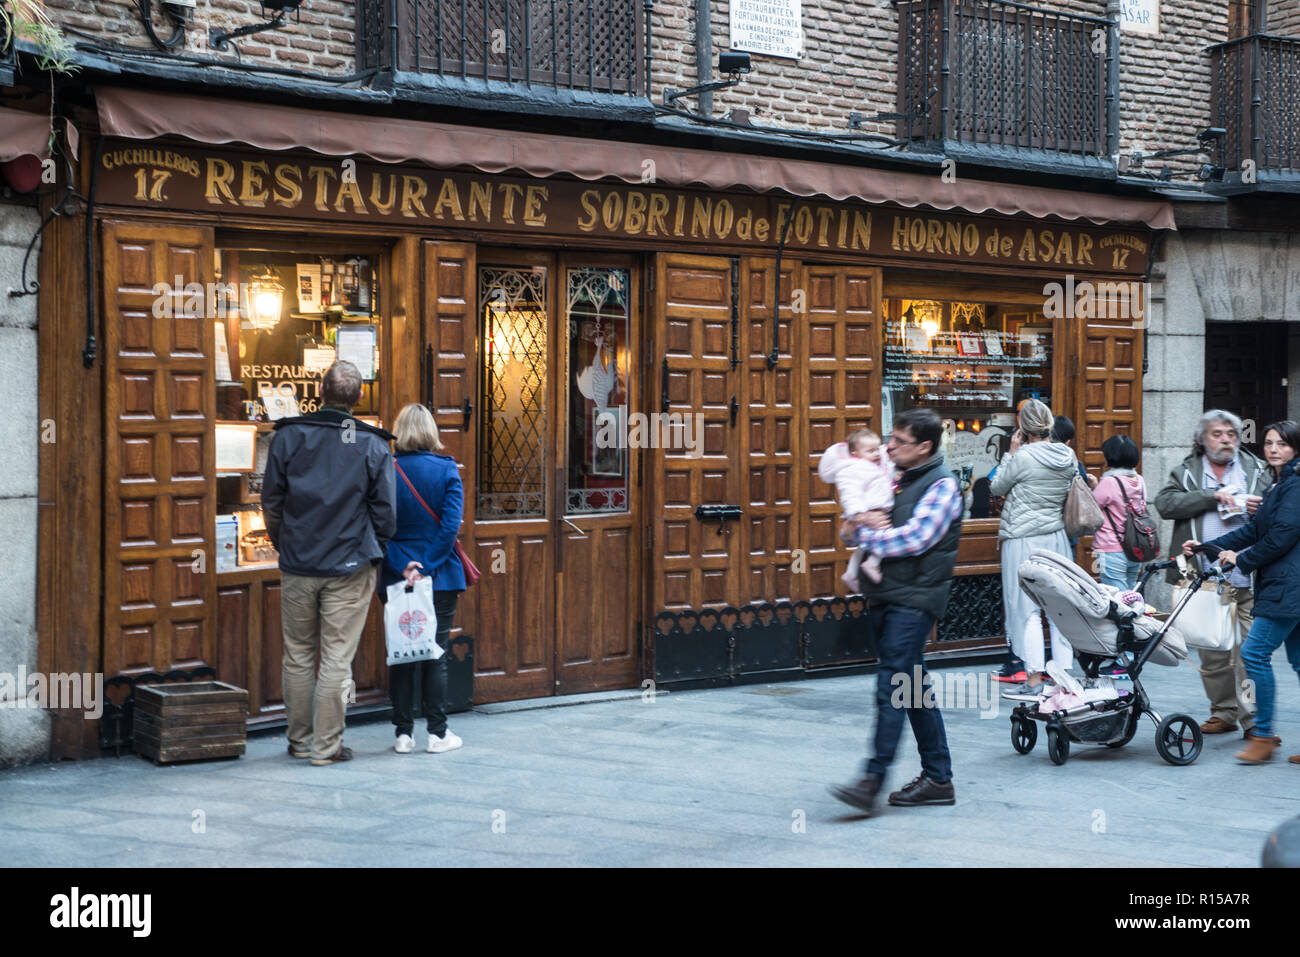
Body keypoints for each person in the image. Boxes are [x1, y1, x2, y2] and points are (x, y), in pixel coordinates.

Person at [828, 407, 963, 816]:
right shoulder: (896, 476)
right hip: (887, 594)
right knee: (913, 686)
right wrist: (854, 525)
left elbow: (915, 540)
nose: (888, 446)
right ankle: (938, 778)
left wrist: (864, 530)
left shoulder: (942, 486)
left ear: (924, 446)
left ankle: (872, 777)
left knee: (892, 684)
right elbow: (850, 526)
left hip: (915, 600)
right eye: (891, 438)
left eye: (899, 441)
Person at [262, 361, 396, 766]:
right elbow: (387, 512)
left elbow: (272, 502)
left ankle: (301, 742)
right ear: (358, 398)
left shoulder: (288, 437)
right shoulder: (372, 444)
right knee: (337, 659)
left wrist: (285, 543)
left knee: (298, 655)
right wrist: (374, 547)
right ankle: (326, 748)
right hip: (350, 564)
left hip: (299, 562)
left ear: (320, 392)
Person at [1185, 421, 1300, 764]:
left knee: (1253, 654)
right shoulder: (1279, 484)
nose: (1273, 449)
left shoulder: (1294, 486)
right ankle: (1262, 734)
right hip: (1286, 585)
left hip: (1288, 587)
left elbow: (1282, 537)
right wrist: (1208, 547)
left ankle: (1263, 735)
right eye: (1268, 443)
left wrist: (1242, 560)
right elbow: (1253, 530)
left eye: (1282, 443)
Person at [1154, 410, 1268, 737]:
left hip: (1248, 576)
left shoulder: (1255, 469)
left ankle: (1253, 719)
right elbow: (1165, 504)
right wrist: (1210, 497)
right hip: (1202, 580)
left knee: (1248, 655)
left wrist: (1263, 509)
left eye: (1231, 433)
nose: (1226, 440)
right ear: (1203, 439)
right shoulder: (1188, 471)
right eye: (1218, 434)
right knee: (1213, 655)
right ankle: (1223, 712)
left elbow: (1279, 510)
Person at [382, 403, 467, 755]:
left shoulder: (386, 470)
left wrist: (404, 565)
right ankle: (437, 733)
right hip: (441, 575)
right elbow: (450, 527)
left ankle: (403, 734)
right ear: (431, 432)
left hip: (395, 575)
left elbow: (378, 525)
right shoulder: (447, 471)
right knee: (435, 652)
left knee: (400, 651)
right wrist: (427, 566)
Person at [990, 399, 1079, 700]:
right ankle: (1064, 676)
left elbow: (997, 487)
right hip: (1056, 537)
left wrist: (1011, 453)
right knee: (1060, 608)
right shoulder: (1068, 455)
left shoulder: (1022, 457)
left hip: (1022, 538)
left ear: (1022, 428)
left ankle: (1033, 677)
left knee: (1026, 610)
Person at [817, 428, 894, 587]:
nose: (876, 454)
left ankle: (851, 574)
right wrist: (858, 514)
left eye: (877, 449)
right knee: (884, 537)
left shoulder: (875, 466)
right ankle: (872, 563)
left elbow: (884, 480)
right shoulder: (853, 469)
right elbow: (849, 493)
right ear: (855, 453)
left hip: (871, 512)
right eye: (870, 451)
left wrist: (895, 476)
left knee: (863, 547)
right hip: (868, 513)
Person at [1091, 434, 1149, 592]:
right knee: (1130, 594)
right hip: (1135, 548)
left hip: (1110, 549)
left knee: (1116, 599)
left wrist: (1093, 487)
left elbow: (1092, 508)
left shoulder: (1109, 482)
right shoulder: (1140, 481)